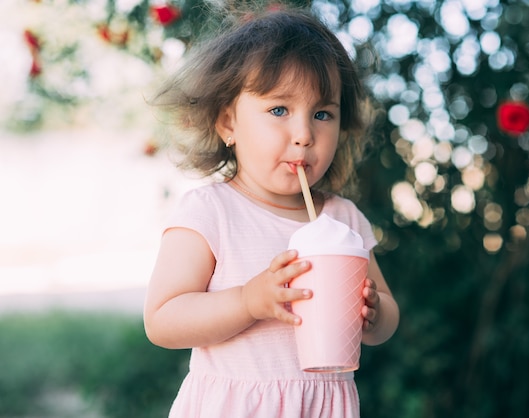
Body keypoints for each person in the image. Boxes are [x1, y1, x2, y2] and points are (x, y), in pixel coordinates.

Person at [143, 7, 399, 418]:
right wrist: (248, 300)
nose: (303, 135)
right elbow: (162, 320)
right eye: (279, 110)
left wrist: (375, 314)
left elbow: (386, 314)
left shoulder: (342, 219)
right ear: (229, 123)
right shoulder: (211, 212)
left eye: (322, 114)